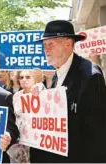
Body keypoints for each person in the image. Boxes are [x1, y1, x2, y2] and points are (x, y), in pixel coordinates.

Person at [30, 20, 106, 162]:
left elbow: (97, 136)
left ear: (68, 44)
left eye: (51, 44)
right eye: (44, 45)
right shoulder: (56, 76)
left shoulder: (90, 76)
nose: (46, 49)